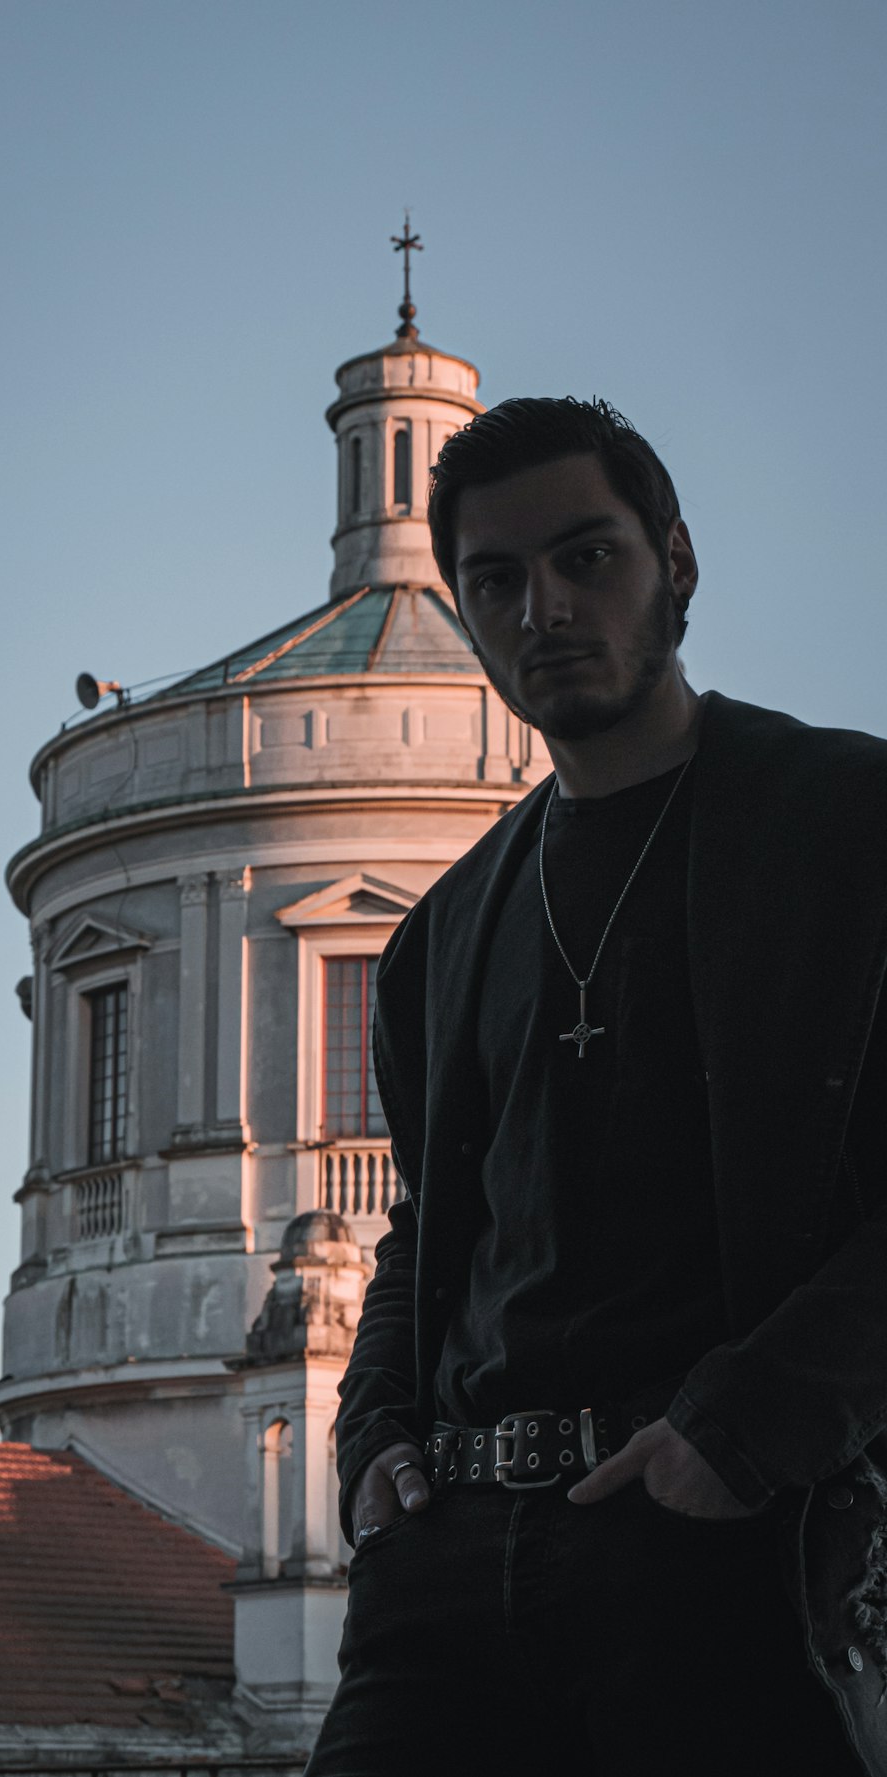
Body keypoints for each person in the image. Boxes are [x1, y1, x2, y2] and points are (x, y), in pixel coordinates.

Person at [304, 399, 887, 1777]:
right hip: (447, 1562)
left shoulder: (845, 825)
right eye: (495, 581)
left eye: (587, 558)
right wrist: (372, 1430)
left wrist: (751, 1424)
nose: (542, 609)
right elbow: (429, 1234)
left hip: (726, 1547)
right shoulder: (439, 933)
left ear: (675, 561)